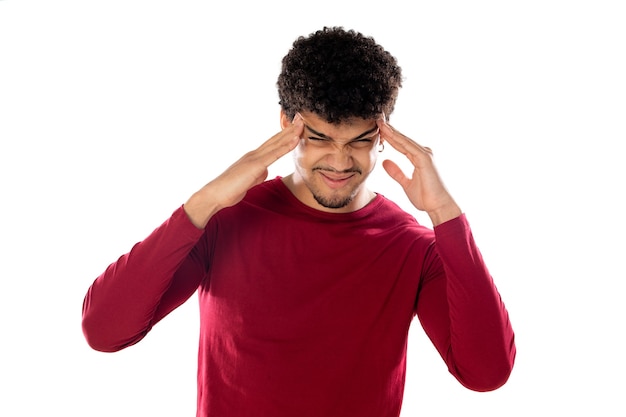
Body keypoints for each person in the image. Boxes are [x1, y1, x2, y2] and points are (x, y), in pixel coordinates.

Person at [82, 26, 516, 417]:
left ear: (384, 134)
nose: (340, 161)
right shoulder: (225, 219)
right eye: (320, 138)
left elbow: (486, 374)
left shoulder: (414, 246)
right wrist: (203, 203)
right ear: (287, 124)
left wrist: (445, 216)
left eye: (360, 141)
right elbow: (105, 331)